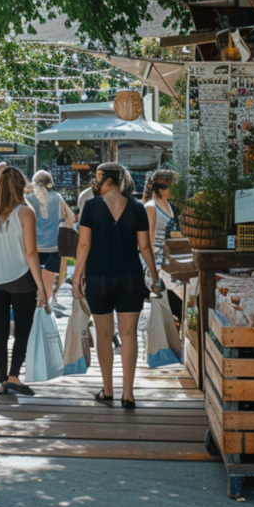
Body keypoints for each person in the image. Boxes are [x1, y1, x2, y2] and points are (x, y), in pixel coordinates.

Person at [72, 163, 160, 408]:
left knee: (104, 334)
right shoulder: (137, 208)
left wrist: (77, 277)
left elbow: (84, 245)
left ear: (109, 181)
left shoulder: (91, 207)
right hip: (130, 278)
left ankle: (108, 390)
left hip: (98, 278)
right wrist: (155, 277)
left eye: (99, 180)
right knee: (129, 334)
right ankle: (128, 394)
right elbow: (145, 247)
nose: (96, 185)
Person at [0, 166, 49, 396]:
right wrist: (41, 287)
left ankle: (2, 382)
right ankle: (14, 376)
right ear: (21, 187)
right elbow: (31, 253)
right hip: (22, 280)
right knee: (22, 331)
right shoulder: (26, 213)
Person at [26, 170, 75, 309]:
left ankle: (34, 317)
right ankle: (45, 313)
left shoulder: (28, 199)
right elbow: (71, 217)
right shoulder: (57, 198)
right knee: (47, 291)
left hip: (33, 248)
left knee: (32, 289)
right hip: (53, 247)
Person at [143, 169, 182, 319]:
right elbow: (148, 242)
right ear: (162, 188)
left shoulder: (171, 206)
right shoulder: (151, 207)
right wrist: (154, 273)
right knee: (167, 310)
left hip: (173, 263)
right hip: (160, 266)